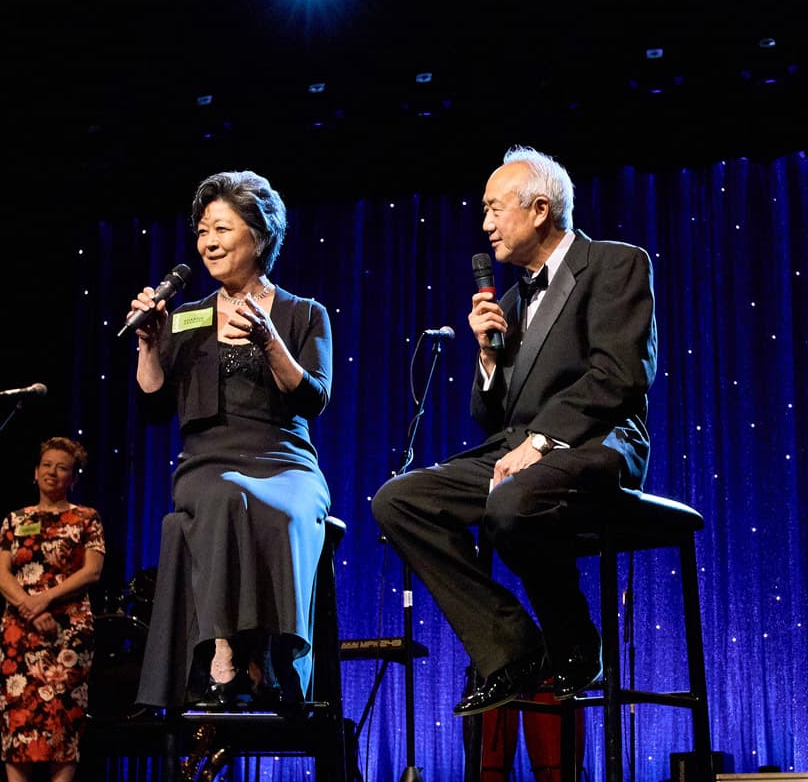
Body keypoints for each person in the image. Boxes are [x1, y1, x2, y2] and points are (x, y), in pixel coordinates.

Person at [371, 146, 658, 717]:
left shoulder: (615, 264)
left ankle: (575, 642)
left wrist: (542, 440)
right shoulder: (510, 300)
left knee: (511, 501)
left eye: (494, 209)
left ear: (540, 210)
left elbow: (620, 375)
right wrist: (487, 358)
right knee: (399, 500)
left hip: (597, 443)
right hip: (516, 451)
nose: (484, 224)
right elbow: (492, 418)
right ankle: (512, 647)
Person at [128, 170, 333, 711]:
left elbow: (313, 397)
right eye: (202, 231)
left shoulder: (302, 313)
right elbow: (151, 405)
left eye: (221, 229)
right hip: (208, 461)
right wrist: (149, 344)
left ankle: (279, 660)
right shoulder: (190, 314)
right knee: (224, 494)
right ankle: (222, 655)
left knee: (285, 511)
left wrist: (268, 340)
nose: (208, 243)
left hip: (285, 461)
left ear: (260, 236)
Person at [0, 437, 105, 782]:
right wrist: (30, 607)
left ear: (73, 477)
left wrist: (47, 598)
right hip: (20, 630)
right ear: (35, 471)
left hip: (67, 632)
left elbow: (92, 571)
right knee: (19, 721)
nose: (53, 472)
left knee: (64, 721)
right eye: (47, 465)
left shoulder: (86, 518)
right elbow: (1, 575)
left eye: (62, 467)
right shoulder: (15, 520)